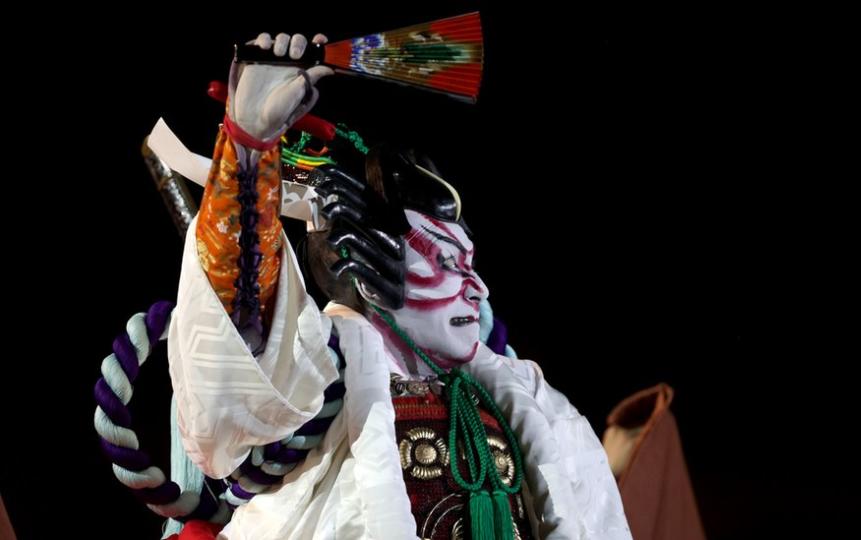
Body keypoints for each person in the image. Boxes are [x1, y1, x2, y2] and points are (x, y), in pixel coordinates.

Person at [160, 31, 631, 539]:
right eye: (447, 261)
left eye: (469, 263)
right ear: (364, 267)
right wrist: (249, 151)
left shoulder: (521, 393)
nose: (478, 289)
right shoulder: (316, 376)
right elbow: (239, 355)